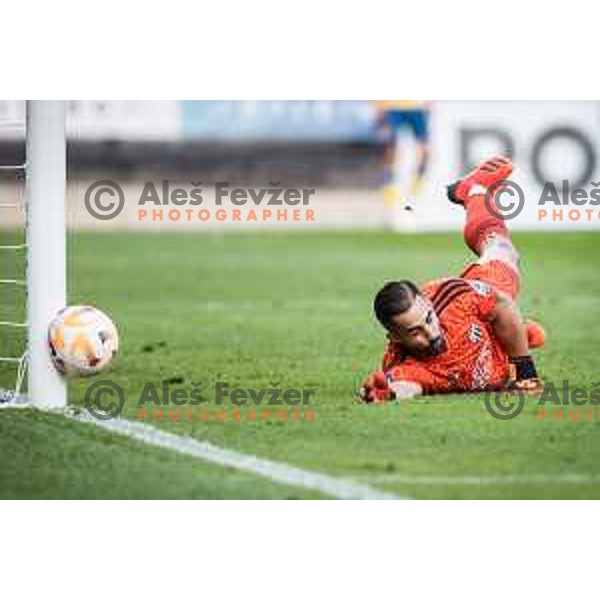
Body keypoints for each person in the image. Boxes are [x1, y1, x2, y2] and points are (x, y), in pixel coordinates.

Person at [360, 156, 545, 403]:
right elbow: (405, 384)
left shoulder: (454, 299)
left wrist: (525, 373)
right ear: (395, 338)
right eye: (415, 332)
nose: (430, 332)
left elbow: (501, 303)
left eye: (427, 319)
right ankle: (518, 336)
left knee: (502, 250)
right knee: (535, 334)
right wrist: (387, 393)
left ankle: (474, 190)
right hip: (493, 351)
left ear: (428, 303)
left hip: (480, 297)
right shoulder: (402, 361)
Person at [373, 100, 430, 231]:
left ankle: (413, 199)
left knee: (425, 152)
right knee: (391, 153)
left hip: (416, 106)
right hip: (391, 106)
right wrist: (377, 106)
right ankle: (390, 201)